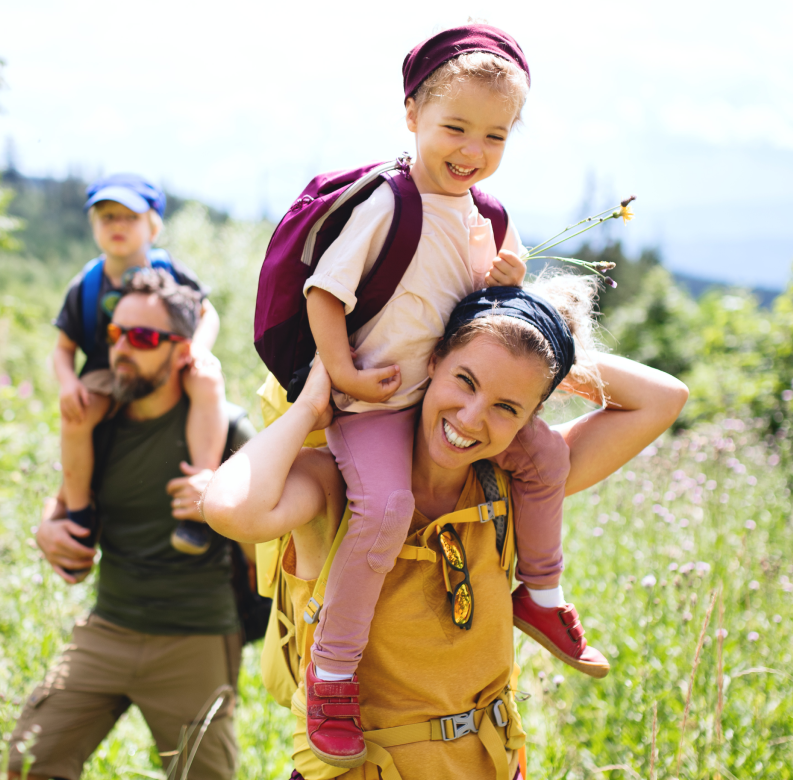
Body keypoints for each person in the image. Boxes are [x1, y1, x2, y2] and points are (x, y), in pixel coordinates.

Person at [204, 279, 689, 779]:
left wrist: (536, 346)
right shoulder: (338, 484)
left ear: (529, 417)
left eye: (507, 407)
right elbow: (230, 509)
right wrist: (310, 406)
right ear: (430, 361)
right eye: (466, 380)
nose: (472, 418)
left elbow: (664, 398)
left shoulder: (512, 486)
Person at [286, 23, 604, 767]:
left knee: (545, 460)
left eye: (494, 136)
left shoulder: (485, 213)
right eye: (454, 128)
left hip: (446, 400)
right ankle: (331, 674)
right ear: (412, 116)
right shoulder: (387, 205)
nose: (472, 150)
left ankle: (542, 594)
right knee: (385, 509)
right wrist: (345, 376)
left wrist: (507, 275)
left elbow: (505, 289)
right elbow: (324, 293)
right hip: (377, 404)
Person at [11, 268, 253, 780]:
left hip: (195, 637)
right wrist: (46, 528)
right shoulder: (98, 422)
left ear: (182, 350)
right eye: (115, 334)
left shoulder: (226, 428)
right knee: (28, 761)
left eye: (142, 337)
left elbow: (270, 546)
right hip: (109, 627)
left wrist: (226, 504)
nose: (121, 349)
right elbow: (62, 500)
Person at [52, 173, 226, 559]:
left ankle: (198, 498)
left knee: (207, 380)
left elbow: (206, 313)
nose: (117, 226)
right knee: (76, 417)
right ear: (93, 225)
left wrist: (197, 348)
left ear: (153, 226)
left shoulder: (171, 271)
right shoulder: (86, 285)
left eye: (129, 217)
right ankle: (80, 514)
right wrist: (68, 383)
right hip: (106, 369)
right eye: (106, 217)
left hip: (166, 361)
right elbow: (63, 349)